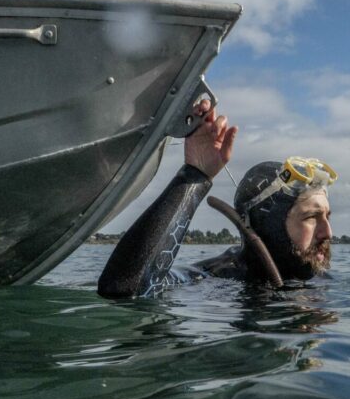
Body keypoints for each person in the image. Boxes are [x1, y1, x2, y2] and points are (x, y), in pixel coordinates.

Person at [97, 102, 335, 298]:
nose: (328, 232)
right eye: (312, 217)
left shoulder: (320, 278)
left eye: (327, 216)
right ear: (266, 223)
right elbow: (127, 288)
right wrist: (195, 175)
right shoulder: (218, 277)